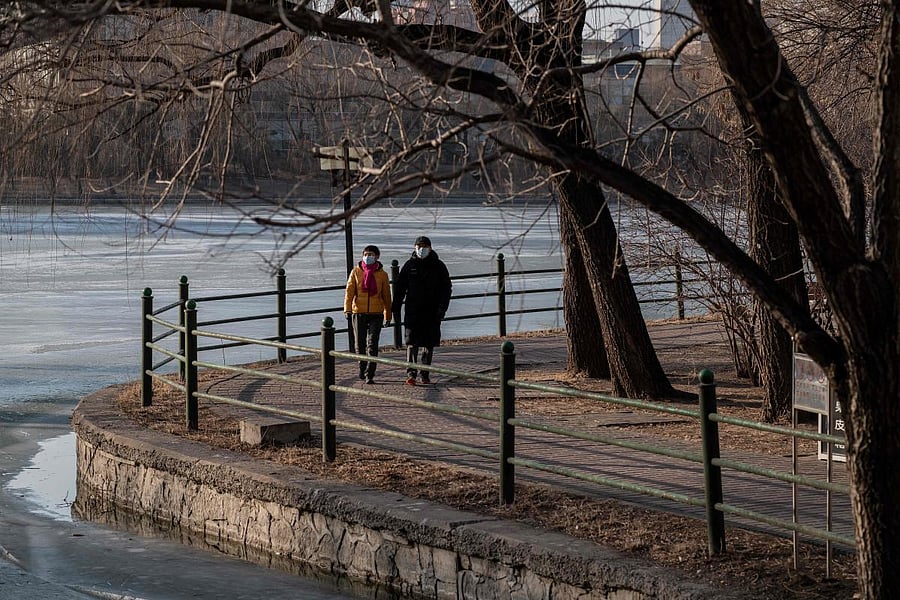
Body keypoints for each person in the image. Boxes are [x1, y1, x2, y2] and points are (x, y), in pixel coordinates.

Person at [392, 235, 452, 385]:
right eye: (419, 246)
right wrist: (396, 308)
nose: (421, 249)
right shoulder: (409, 266)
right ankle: (411, 373)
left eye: (424, 247)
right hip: (413, 310)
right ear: (414, 248)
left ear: (430, 248)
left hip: (432, 311)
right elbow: (400, 288)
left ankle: (425, 373)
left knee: (428, 343)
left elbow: (446, 289)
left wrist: (442, 309)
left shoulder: (439, 266)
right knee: (411, 342)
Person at [344, 245, 392, 384]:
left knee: (372, 344)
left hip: (376, 314)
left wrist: (387, 315)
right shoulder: (356, 272)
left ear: (377, 256)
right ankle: (362, 367)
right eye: (366, 254)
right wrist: (347, 309)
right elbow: (349, 292)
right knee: (359, 344)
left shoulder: (382, 274)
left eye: (371, 254)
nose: (368, 256)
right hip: (358, 312)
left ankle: (370, 373)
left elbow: (386, 296)